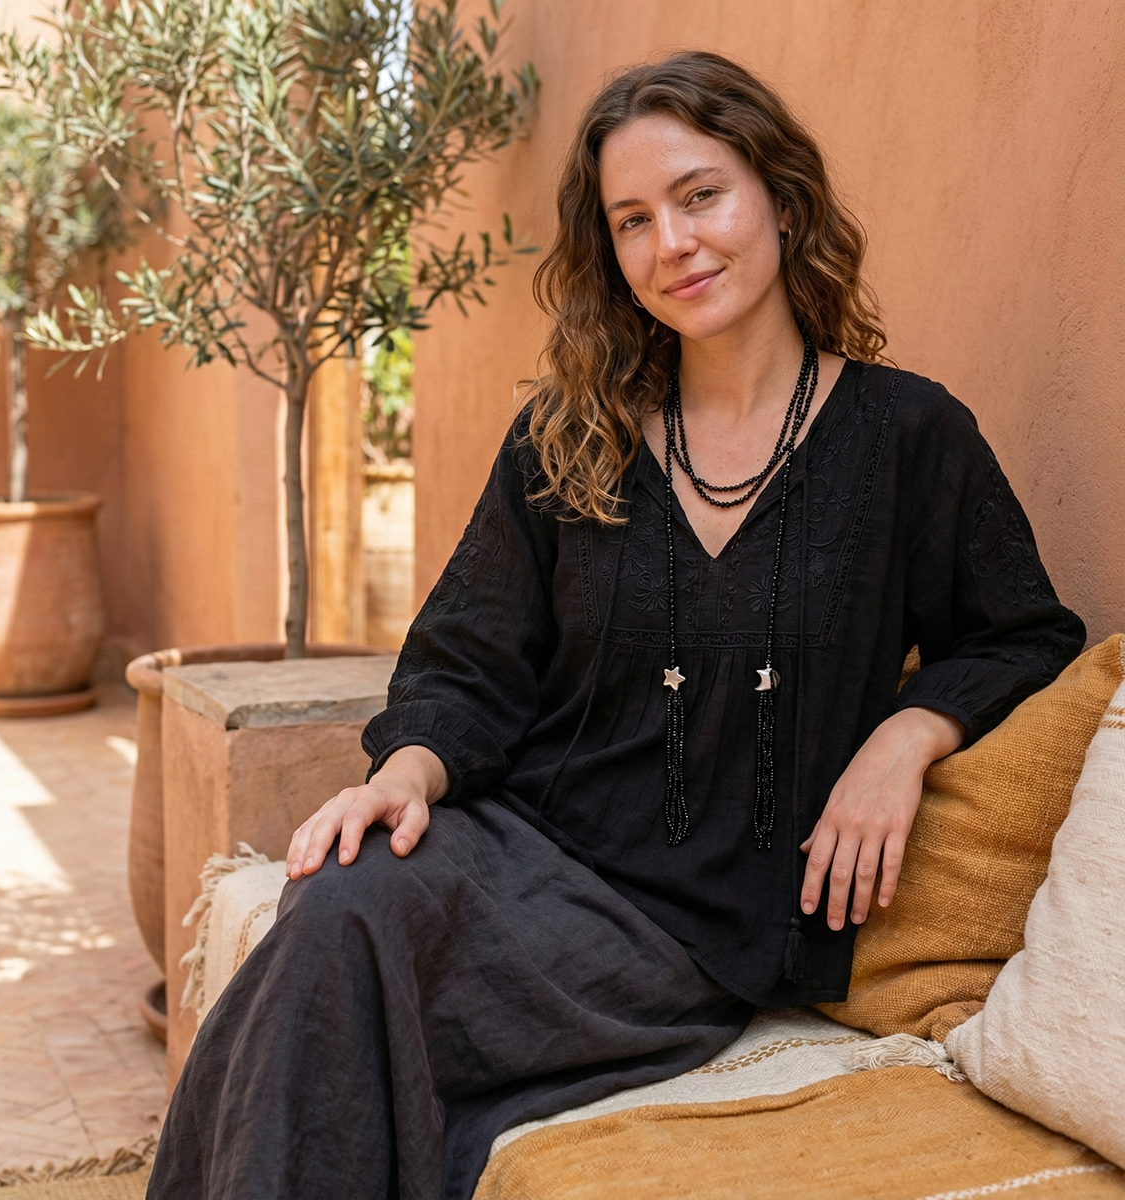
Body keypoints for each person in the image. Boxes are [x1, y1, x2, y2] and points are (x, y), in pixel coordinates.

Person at [148, 51, 1085, 1200]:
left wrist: (906, 736)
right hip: (519, 847)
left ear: (781, 203)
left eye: (701, 196)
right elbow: (468, 660)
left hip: (695, 931)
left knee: (337, 962)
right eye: (633, 220)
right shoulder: (565, 437)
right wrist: (409, 770)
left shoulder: (908, 438)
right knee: (339, 900)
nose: (673, 243)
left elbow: (1024, 634)